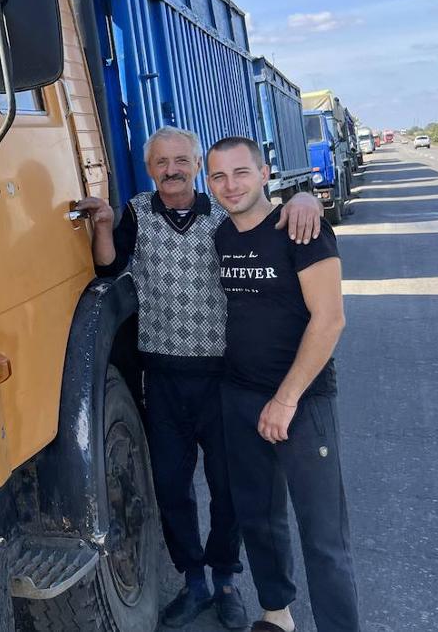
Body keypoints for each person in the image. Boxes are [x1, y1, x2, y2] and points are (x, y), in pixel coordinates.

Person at [75, 127, 322, 629]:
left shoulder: (224, 216)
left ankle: (227, 580)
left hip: (222, 378)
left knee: (228, 486)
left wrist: (305, 198)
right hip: (163, 378)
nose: (171, 170)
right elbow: (109, 266)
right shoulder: (137, 214)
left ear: (196, 167)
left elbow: (268, 215)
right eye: (161, 162)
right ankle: (193, 581)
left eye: (181, 160)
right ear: (150, 170)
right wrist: (102, 223)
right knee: (170, 485)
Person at [205, 136, 359, 632]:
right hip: (240, 397)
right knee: (259, 520)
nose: (230, 186)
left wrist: (285, 399)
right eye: (218, 176)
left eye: (241, 173)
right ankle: (277, 614)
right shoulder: (220, 234)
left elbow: (329, 320)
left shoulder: (302, 229)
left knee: (323, 536)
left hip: (302, 402)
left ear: (266, 172)